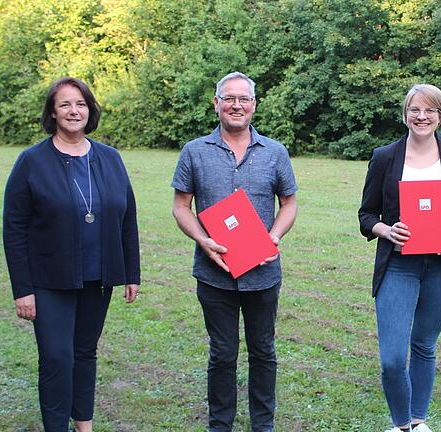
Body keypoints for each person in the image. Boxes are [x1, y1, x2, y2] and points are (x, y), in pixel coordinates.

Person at [2, 77, 140, 432]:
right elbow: (14, 229)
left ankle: (84, 425)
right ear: (53, 112)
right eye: (64, 104)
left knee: (84, 354)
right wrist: (22, 289)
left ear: (89, 109)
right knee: (56, 357)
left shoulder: (110, 158)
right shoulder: (31, 162)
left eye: (80, 104)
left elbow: (128, 217)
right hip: (49, 280)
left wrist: (131, 272)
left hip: (99, 277)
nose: (73, 111)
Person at [171, 71, 298, 432]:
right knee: (222, 354)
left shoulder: (275, 152)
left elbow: (289, 203)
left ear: (254, 105)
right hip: (214, 274)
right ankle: (219, 425)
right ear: (216, 104)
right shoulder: (194, 151)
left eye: (244, 99)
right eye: (229, 98)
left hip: (262, 273)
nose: (236, 105)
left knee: (263, 352)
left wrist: (272, 237)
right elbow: (181, 206)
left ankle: (263, 425)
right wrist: (202, 239)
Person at [358, 84, 441, 432]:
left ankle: (417, 422)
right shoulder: (384, 157)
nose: (422, 117)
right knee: (393, 359)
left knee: (424, 345)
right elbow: (366, 216)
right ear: (405, 114)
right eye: (415, 110)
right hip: (398, 265)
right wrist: (387, 230)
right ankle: (401, 426)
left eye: (430, 110)